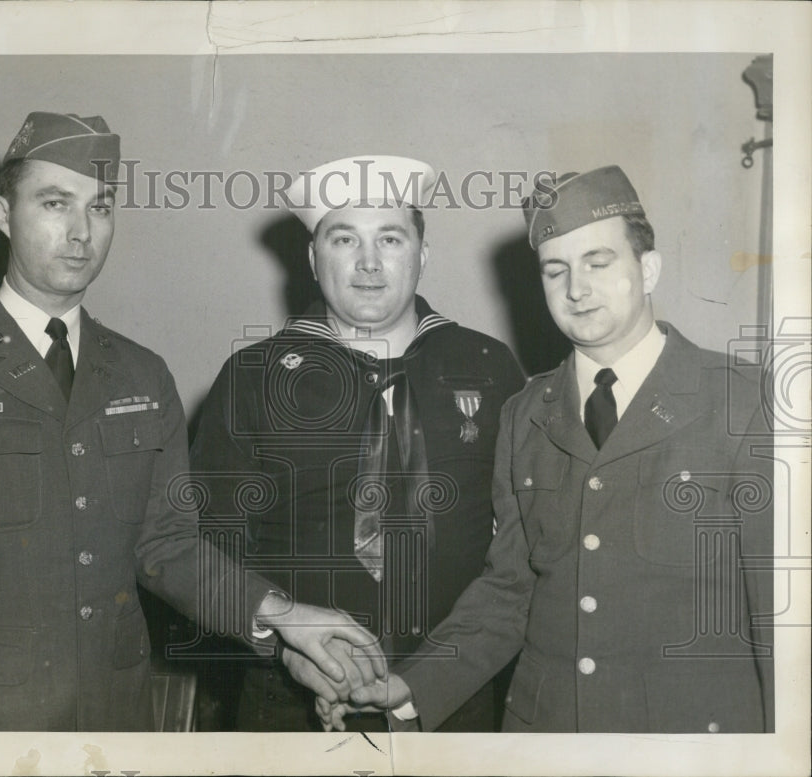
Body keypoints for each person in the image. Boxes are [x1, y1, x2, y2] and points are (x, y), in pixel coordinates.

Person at [0, 112, 384, 731]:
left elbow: (167, 546)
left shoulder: (141, 375)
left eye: (100, 208)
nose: (81, 231)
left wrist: (284, 617)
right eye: (55, 203)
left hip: (113, 720)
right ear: (2, 215)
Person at [327, 165, 775, 733]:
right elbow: (512, 590)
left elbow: (783, 616)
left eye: (597, 263)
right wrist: (414, 684)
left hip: (686, 747)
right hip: (546, 737)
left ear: (648, 269)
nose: (576, 289)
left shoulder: (743, 401)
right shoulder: (525, 414)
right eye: (555, 270)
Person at [189, 155, 526, 731]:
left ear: (423, 254)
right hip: (291, 707)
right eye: (344, 239)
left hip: (453, 705)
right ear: (312, 258)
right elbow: (201, 551)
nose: (369, 262)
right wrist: (282, 645)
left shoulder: (488, 366)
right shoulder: (253, 378)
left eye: (390, 239)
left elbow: (519, 554)